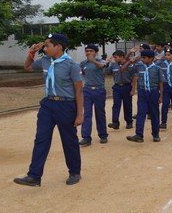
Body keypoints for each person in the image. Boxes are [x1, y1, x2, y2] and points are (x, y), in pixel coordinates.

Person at [14, 33, 83, 187]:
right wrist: (31, 52)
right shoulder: (45, 61)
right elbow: (28, 67)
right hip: (48, 104)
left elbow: (79, 91)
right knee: (41, 139)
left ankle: (74, 171)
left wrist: (80, 114)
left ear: (58, 47)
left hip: (66, 106)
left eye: (47, 45)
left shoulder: (72, 65)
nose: (44, 48)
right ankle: (34, 176)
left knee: (69, 140)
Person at [127, 49, 164, 143]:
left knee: (154, 113)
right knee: (141, 113)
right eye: (141, 57)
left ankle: (156, 134)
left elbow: (161, 83)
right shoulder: (139, 66)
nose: (142, 59)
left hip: (153, 91)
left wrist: (161, 96)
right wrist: (131, 61)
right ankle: (139, 134)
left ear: (151, 58)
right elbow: (124, 69)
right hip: (142, 92)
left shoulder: (157, 68)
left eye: (144, 58)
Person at [79, 44, 108, 146]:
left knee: (100, 113)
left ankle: (103, 135)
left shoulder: (101, 61)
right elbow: (82, 74)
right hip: (87, 90)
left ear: (96, 52)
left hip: (99, 90)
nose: (88, 53)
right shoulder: (83, 63)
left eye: (91, 51)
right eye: (87, 51)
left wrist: (93, 61)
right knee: (87, 114)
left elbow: (101, 67)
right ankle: (86, 137)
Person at [105, 50, 135, 130]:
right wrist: (107, 63)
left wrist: (133, 89)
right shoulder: (113, 65)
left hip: (127, 86)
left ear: (122, 57)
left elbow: (134, 76)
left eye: (116, 57)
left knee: (127, 105)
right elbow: (107, 72)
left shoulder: (129, 65)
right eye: (114, 58)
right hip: (117, 87)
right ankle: (115, 122)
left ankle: (129, 122)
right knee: (116, 105)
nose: (114, 59)